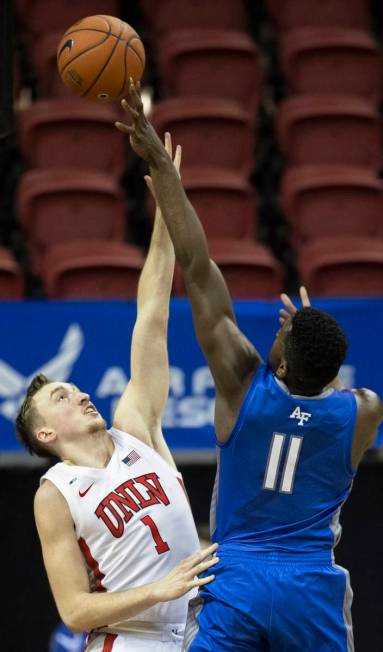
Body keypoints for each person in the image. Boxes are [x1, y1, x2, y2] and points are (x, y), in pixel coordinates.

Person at [115, 81, 383, 652]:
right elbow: (323, 387)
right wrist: (310, 347)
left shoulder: (242, 381)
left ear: (279, 358)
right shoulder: (363, 411)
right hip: (311, 584)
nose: (277, 329)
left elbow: (196, 261)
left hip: (235, 576)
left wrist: (162, 167)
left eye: (281, 332)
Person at [16, 134, 219, 652]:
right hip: (131, 643)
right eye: (62, 396)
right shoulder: (55, 494)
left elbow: (152, 312)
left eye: (77, 388)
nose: (81, 395)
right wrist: (160, 590)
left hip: (203, 631)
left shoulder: (136, 427)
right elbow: (75, 610)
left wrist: (167, 203)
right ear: (44, 432)